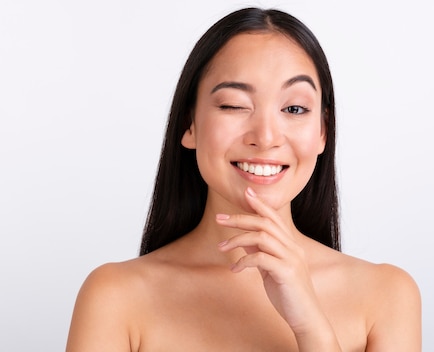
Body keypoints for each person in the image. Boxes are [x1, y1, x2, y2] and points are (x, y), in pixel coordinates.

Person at [66, 7, 421, 351]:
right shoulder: (115, 297)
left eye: (294, 109)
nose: (265, 136)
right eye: (234, 105)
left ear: (323, 132)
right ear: (189, 124)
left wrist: (311, 326)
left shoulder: (387, 296)